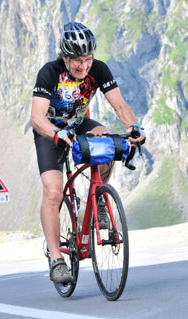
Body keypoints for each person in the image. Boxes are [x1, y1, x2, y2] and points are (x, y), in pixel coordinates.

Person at [31, 22, 146, 285]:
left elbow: (119, 105)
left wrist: (134, 127)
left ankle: (99, 198)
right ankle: (57, 260)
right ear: (64, 57)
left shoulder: (99, 69)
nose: (83, 66)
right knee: (53, 192)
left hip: (79, 123)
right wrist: (55, 133)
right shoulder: (49, 72)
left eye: (87, 59)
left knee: (107, 140)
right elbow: (37, 117)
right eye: (76, 61)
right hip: (50, 130)